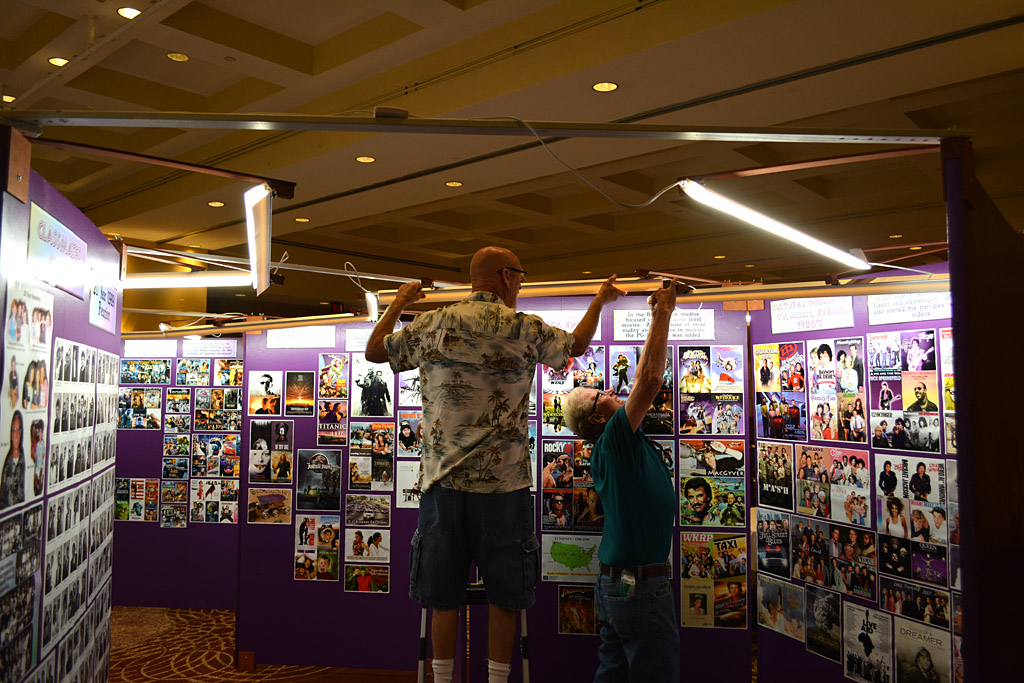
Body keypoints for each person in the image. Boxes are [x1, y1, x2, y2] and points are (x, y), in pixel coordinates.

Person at [365, 246, 623, 683]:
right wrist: (599, 299)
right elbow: (576, 345)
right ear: (505, 276)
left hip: (442, 487)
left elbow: (375, 351)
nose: (520, 284)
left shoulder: (431, 323)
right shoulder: (523, 327)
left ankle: (442, 679)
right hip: (503, 488)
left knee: (442, 598)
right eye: (520, 276)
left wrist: (400, 303)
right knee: (506, 596)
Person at [561, 283, 678, 682]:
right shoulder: (612, 441)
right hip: (639, 586)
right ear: (597, 418)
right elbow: (649, 381)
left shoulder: (623, 441)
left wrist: (655, 316)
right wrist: (664, 313)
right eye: (600, 394)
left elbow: (642, 380)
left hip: (623, 582)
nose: (610, 389)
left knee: (613, 673)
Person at [0, 411, 26, 509]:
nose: (16, 434)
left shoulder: (23, 460)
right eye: (13, 430)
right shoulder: (7, 462)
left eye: (18, 429)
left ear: (21, 432)